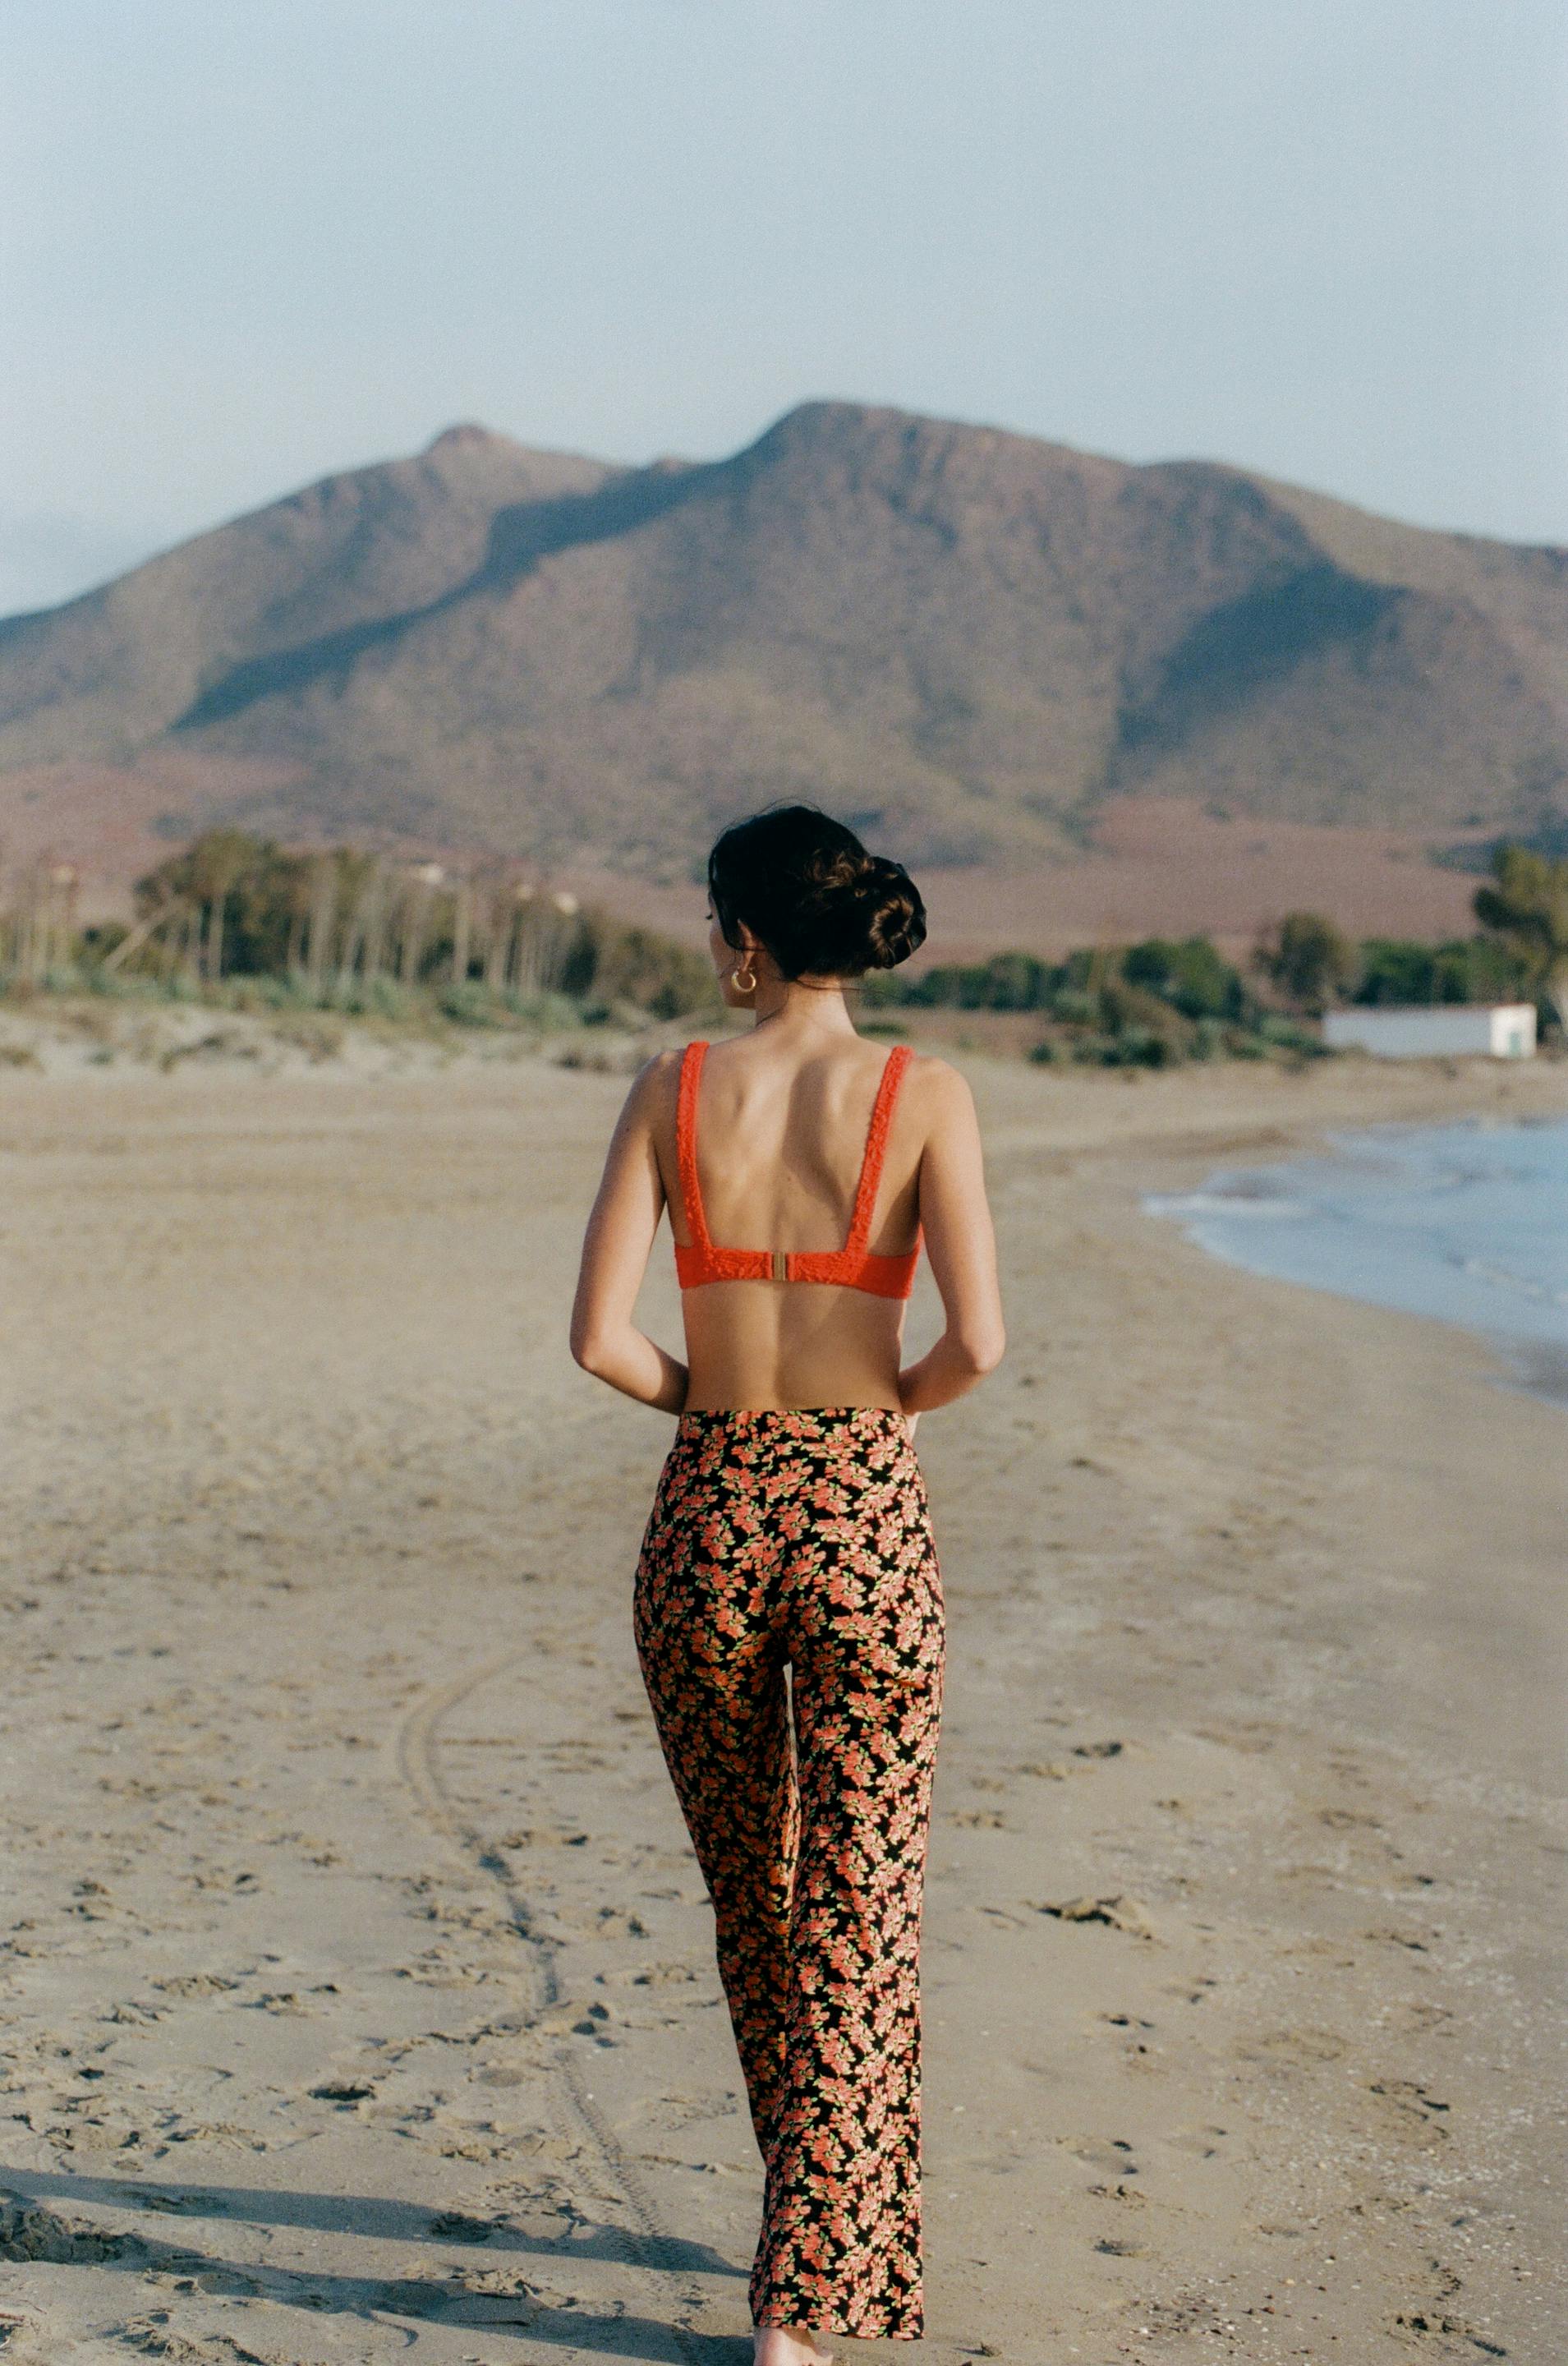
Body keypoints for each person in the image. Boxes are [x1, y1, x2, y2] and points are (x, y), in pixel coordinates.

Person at [570, 803, 1005, 2363]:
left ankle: (826, 2255)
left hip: (709, 1506)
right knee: (862, 1905)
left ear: (745, 943)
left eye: (712, 925)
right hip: (864, 1506)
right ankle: (813, 2296)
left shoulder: (672, 1088)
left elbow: (601, 1343)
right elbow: (975, 1346)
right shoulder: (922, 1092)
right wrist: (867, 1424)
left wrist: (722, 1408)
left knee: (756, 1904)